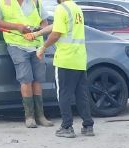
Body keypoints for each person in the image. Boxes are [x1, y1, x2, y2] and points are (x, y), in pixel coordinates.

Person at [34, 0, 94, 138]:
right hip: (79, 58)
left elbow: (56, 33)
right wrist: (37, 34)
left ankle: (67, 126)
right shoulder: (76, 8)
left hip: (65, 60)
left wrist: (43, 47)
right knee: (81, 94)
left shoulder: (61, 9)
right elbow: (58, 27)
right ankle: (88, 125)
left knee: (64, 94)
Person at [0, 0, 54, 128]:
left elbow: (44, 21)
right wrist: (17, 27)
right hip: (17, 45)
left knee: (38, 80)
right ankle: (29, 117)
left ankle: (40, 116)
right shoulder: (1, 1)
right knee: (26, 79)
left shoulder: (35, 1)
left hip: (37, 45)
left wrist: (40, 30)